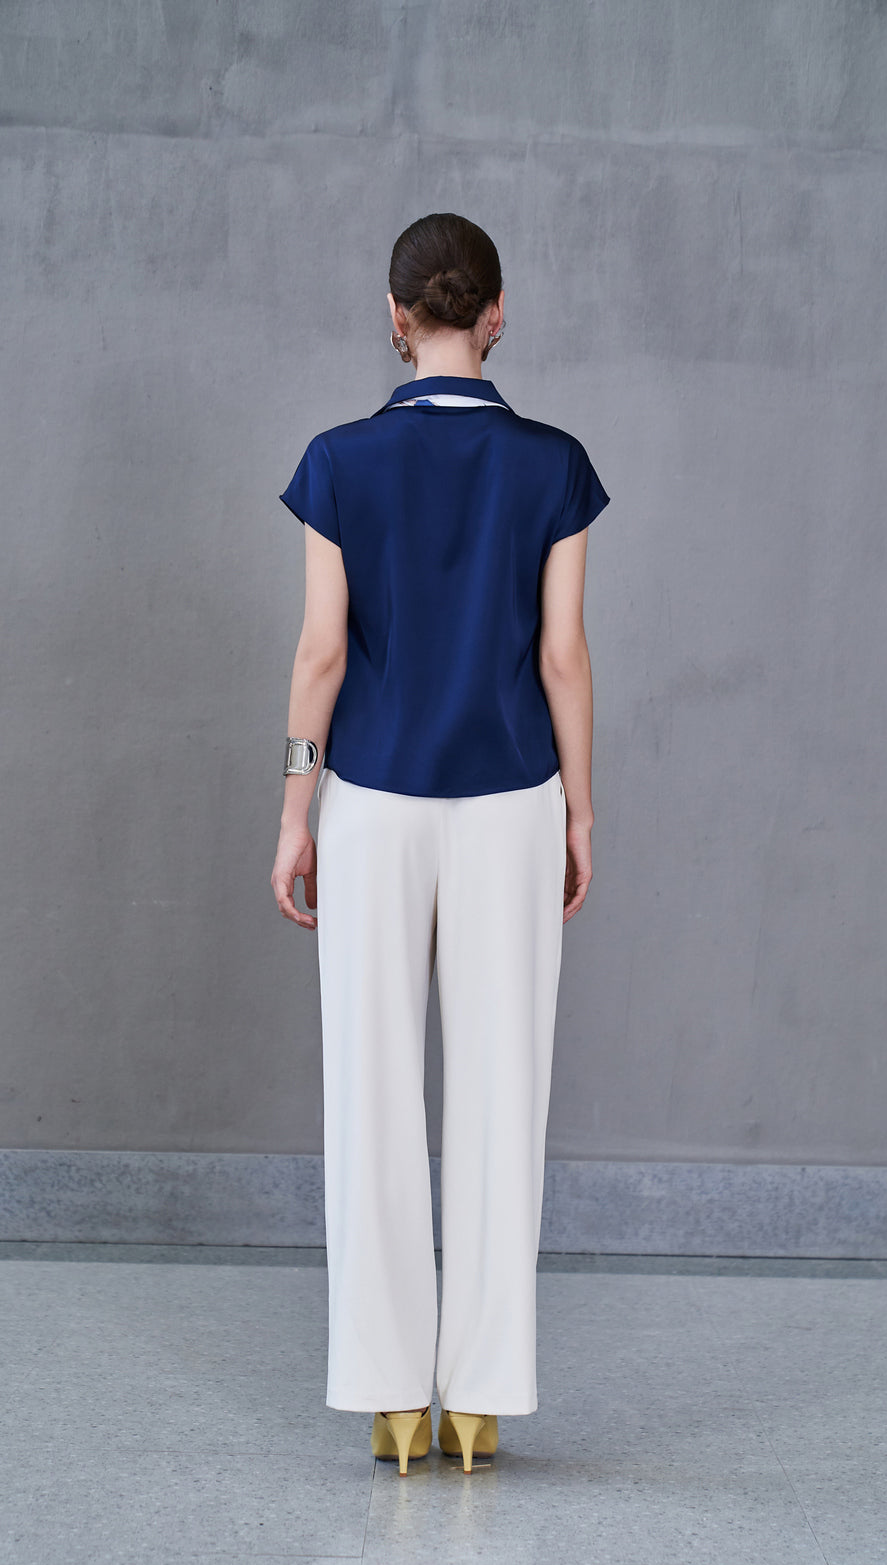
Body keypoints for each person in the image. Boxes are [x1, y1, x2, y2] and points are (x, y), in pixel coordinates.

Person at [271, 212, 609, 1476]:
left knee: (369, 1085)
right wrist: (581, 809)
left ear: (396, 316)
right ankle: (480, 1400)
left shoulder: (339, 461)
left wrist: (295, 808)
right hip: (514, 799)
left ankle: (389, 1401)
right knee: (502, 1089)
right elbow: (563, 655)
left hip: (370, 800)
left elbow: (321, 655)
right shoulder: (555, 464)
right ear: (498, 313)